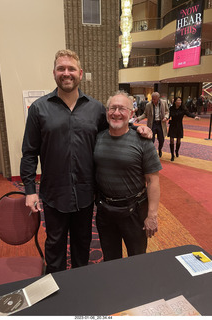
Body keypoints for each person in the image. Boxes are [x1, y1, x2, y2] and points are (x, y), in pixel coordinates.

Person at [20, 49, 153, 273]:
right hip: (54, 195)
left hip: (86, 195)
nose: (66, 73)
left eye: (71, 68)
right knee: (55, 248)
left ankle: (82, 294)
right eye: (61, 68)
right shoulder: (38, 109)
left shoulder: (96, 109)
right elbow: (29, 153)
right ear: (54, 73)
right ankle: (59, 299)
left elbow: (114, 130)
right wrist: (30, 189)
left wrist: (137, 128)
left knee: (83, 247)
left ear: (80, 73)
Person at [94, 91, 162, 262]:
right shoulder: (97, 138)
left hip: (134, 212)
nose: (116, 113)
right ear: (107, 112)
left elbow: (153, 180)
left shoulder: (143, 141)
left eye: (122, 109)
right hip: (105, 211)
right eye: (112, 108)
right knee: (110, 259)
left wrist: (152, 215)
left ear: (131, 113)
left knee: (137, 260)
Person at [136, 92, 169, 158]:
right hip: (152, 124)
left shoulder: (164, 103)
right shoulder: (148, 105)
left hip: (161, 124)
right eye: (152, 99)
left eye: (155, 99)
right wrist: (138, 118)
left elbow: (167, 112)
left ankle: (160, 150)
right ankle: (152, 152)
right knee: (151, 140)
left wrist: (166, 117)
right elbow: (145, 114)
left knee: (161, 139)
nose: (153, 100)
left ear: (158, 98)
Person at [168, 96, 200, 161]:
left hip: (179, 126)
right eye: (178, 100)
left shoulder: (183, 109)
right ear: (175, 102)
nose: (179, 102)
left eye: (180, 100)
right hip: (172, 125)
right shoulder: (171, 108)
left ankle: (176, 151)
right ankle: (172, 155)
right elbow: (168, 115)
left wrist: (194, 117)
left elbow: (188, 114)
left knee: (178, 140)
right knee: (171, 140)